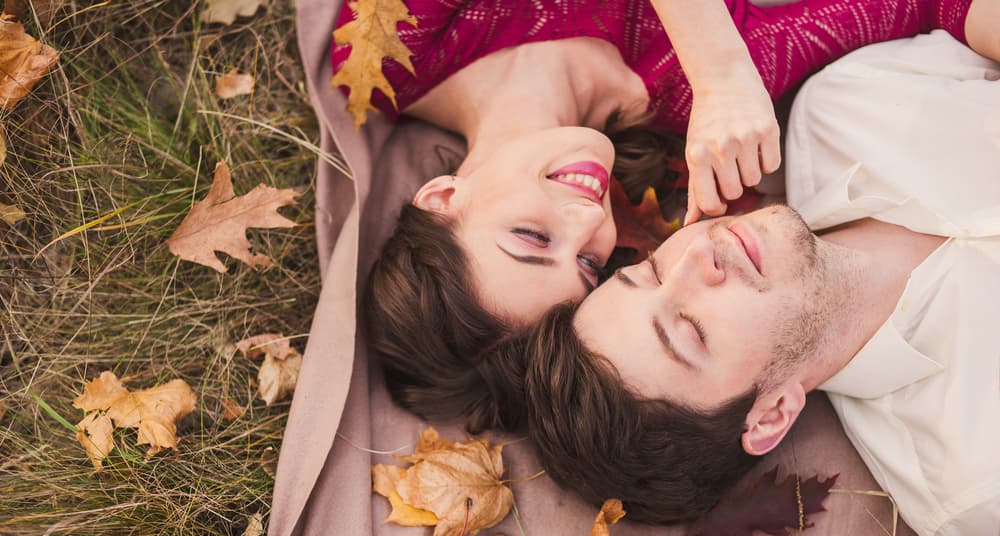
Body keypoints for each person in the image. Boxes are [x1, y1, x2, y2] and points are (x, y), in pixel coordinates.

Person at [334, 0, 977, 431]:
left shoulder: (390, 58)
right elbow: (938, 8)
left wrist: (719, 69)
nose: (587, 221)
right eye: (589, 265)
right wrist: (723, 78)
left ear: (441, 199)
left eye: (532, 238)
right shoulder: (696, 98)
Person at [522, 23, 1000, 536]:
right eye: (690, 328)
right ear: (770, 414)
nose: (697, 258)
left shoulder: (843, 110)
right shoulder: (978, 483)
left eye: (653, 271)